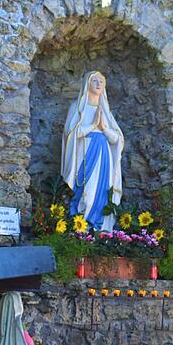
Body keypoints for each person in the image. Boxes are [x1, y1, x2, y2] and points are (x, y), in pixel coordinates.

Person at [61, 71, 124, 231]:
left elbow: (116, 139)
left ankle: (100, 230)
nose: (98, 84)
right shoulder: (77, 108)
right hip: (85, 153)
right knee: (85, 193)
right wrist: (92, 126)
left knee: (103, 192)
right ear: (86, 84)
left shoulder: (106, 111)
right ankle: (81, 227)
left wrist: (103, 128)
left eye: (101, 81)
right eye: (94, 80)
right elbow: (70, 134)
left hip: (104, 155)